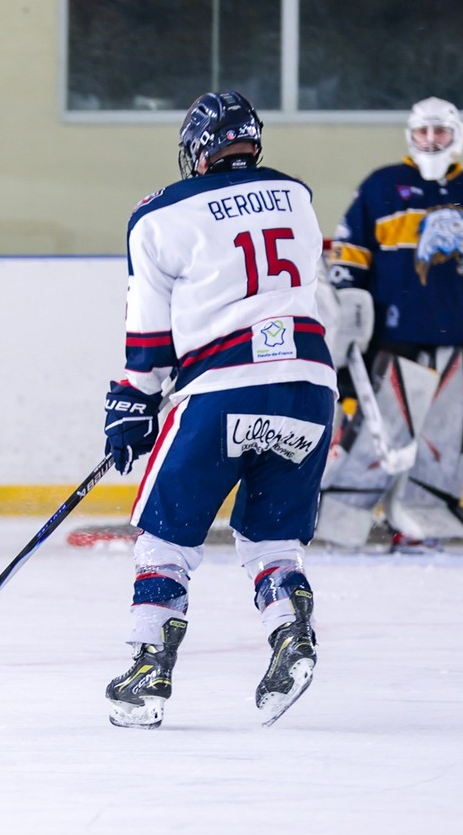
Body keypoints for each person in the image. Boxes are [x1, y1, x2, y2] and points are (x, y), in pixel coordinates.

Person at [101, 90, 335, 730]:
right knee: (273, 539)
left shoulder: (158, 215)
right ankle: (292, 636)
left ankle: (148, 669)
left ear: (196, 150)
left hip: (223, 390)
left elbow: (149, 331)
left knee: (165, 537)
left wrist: (134, 398)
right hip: (308, 387)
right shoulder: (298, 196)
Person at [315, 96, 463, 552]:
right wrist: (349, 315)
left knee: (445, 444)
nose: (431, 140)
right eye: (422, 132)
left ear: (457, 135)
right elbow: (349, 257)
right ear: (410, 135)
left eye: (440, 131)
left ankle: (421, 525)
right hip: (394, 342)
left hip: (459, 343)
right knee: (375, 439)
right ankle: (337, 523)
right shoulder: (382, 186)